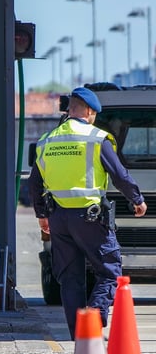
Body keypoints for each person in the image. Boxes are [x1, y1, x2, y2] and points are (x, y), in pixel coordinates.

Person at [28, 86, 147, 340]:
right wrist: (136, 199)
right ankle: (92, 322)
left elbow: (35, 182)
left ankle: (79, 338)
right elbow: (119, 175)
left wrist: (42, 216)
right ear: (91, 111)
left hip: (59, 218)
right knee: (109, 270)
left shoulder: (48, 140)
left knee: (70, 279)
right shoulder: (96, 139)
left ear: (69, 110)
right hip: (90, 218)